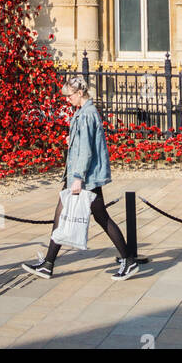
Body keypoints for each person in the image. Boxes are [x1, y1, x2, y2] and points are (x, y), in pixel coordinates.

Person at [22, 73, 138, 280]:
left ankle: (127, 260)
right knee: (93, 217)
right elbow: (86, 143)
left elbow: (86, 151)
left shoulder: (86, 114)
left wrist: (78, 177)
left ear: (80, 92)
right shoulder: (87, 112)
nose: (68, 99)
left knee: (75, 216)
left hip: (84, 176)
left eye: (70, 95)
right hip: (86, 175)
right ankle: (49, 263)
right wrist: (72, 140)